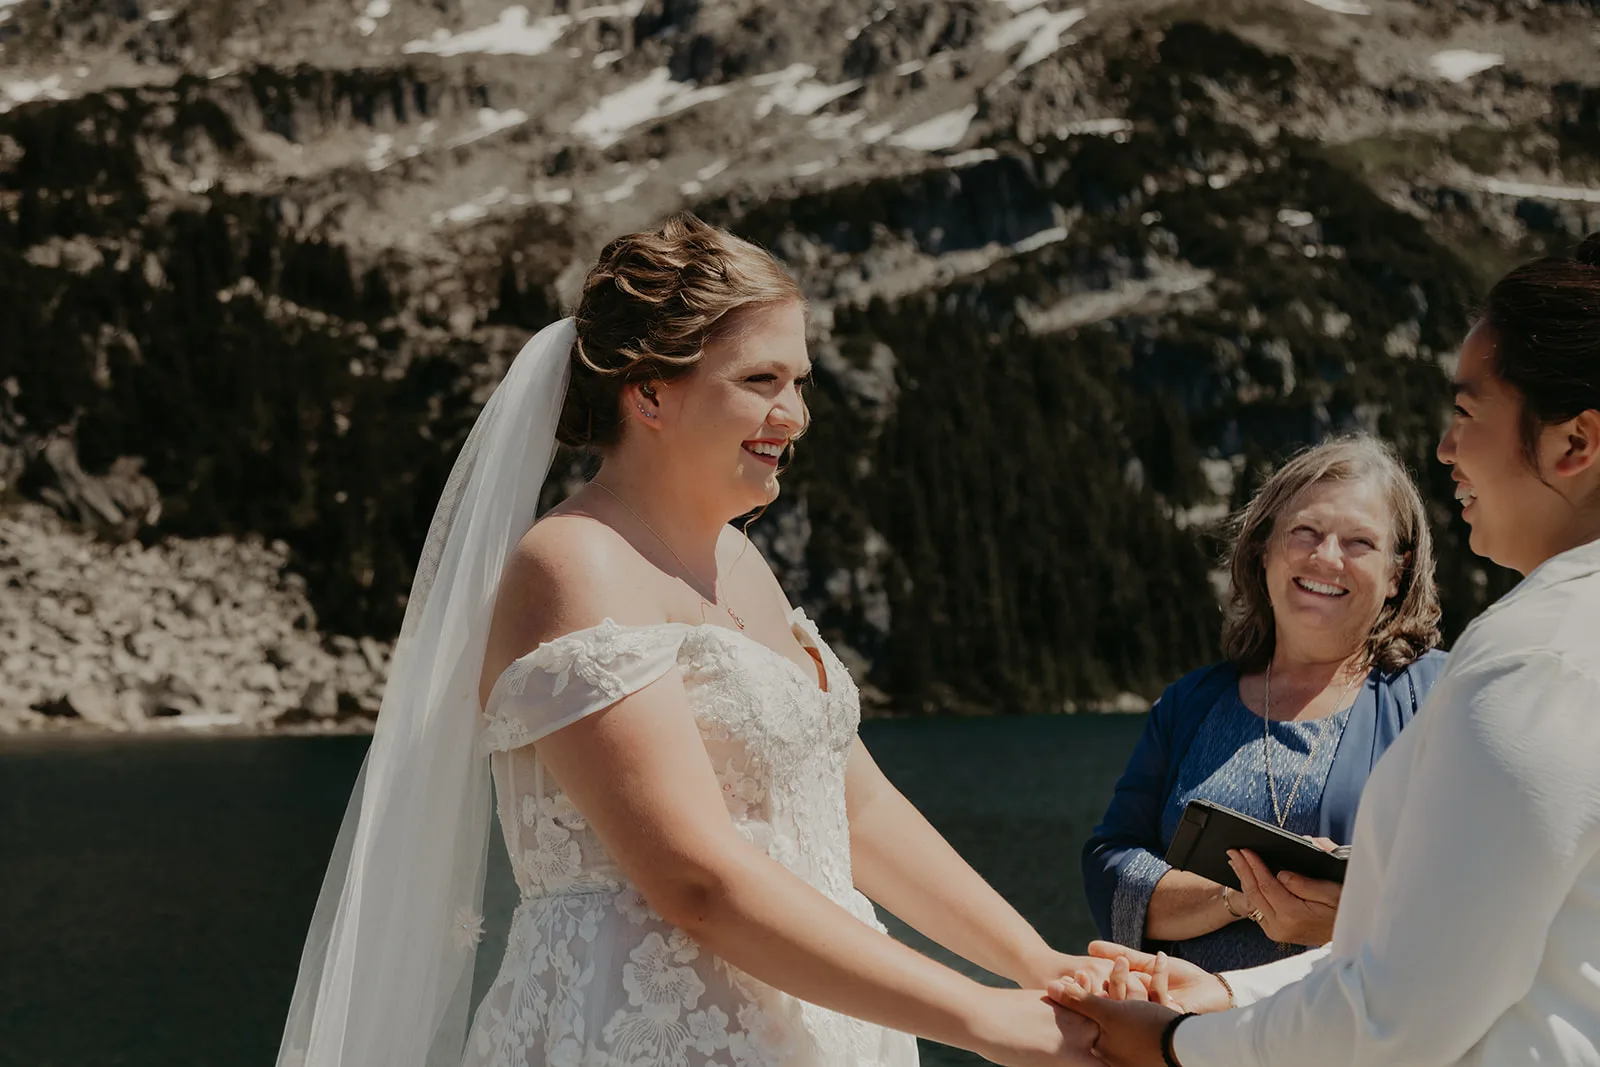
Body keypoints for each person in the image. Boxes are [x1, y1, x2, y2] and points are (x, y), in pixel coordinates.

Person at [275, 214, 1113, 1067]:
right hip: (646, 1036)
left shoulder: (741, 561)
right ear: (649, 394)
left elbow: (854, 807)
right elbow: (696, 880)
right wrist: (981, 1019)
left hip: (815, 1027)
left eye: (799, 380)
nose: (793, 414)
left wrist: (1035, 963)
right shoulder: (573, 564)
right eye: (760, 379)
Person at [1051, 233, 1600, 1066]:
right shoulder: (1193, 700)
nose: (1447, 448)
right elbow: (1456, 949)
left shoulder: (1529, 661)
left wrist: (1183, 1045)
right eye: (1303, 532)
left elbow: (1403, 1011)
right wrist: (1232, 991)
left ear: (1573, 445)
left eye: (1465, 412)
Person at [1083, 435, 1447, 972]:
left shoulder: (1439, 697)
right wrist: (1243, 899)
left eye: (1359, 543)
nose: (1327, 558)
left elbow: (1488, 884)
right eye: (1306, 531)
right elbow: (1109, 870)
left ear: (1396, 574)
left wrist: (1357, 919)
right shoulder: (1190, 704)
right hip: (1190, 1041)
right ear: (1264, 549)